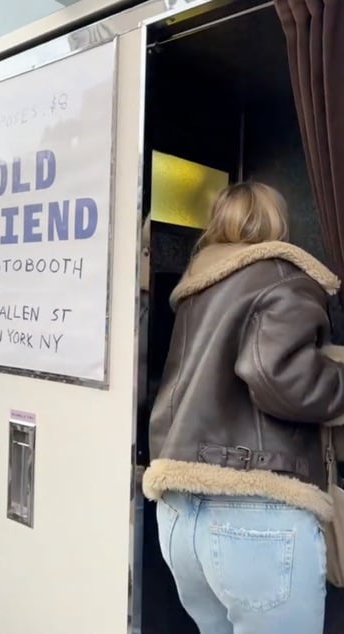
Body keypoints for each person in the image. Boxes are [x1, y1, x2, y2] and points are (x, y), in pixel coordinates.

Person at [142, 182, 344, 634]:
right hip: (256, 509)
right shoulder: (282, 275)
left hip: (178, 514)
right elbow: (279, 377)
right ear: (277, 222)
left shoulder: (196, 287)